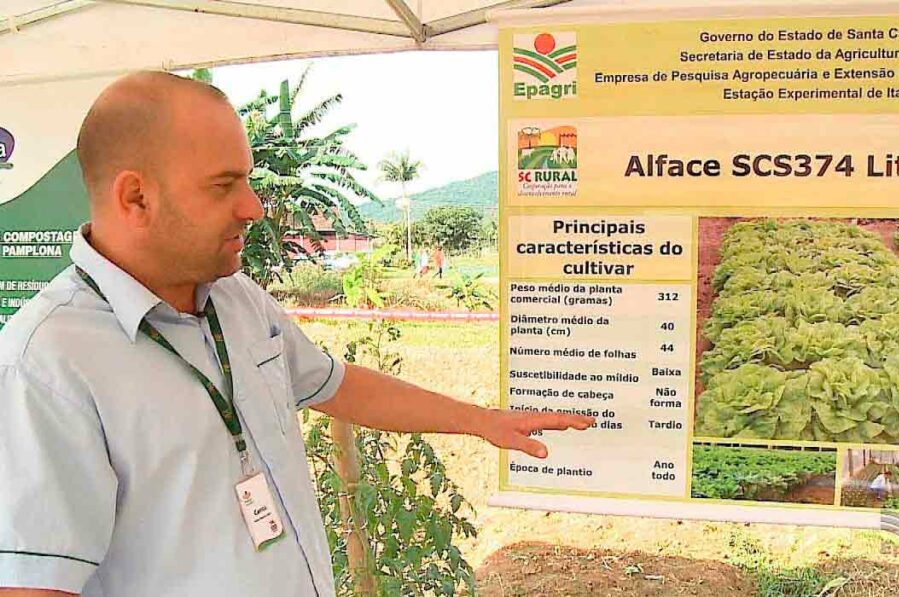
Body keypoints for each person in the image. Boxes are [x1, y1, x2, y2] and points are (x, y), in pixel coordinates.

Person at [0, 72, 594, 597]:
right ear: (136, 197)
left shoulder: (233, 298)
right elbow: (35, 585)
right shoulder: (47, 366)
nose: (253, 206)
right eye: (223, 185)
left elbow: (336, 385)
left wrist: (480, 420)